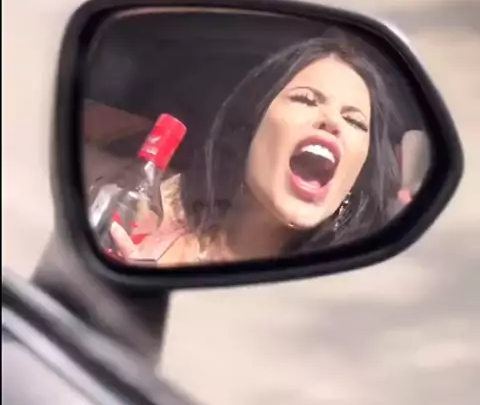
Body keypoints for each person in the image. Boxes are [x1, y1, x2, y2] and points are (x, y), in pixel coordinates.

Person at [107, 31, 407, 266]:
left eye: (354, 121)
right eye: (306, 100)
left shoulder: (336, 281)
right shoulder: (157, 205)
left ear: (355, 178)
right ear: (251, 128)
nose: (332, 122)